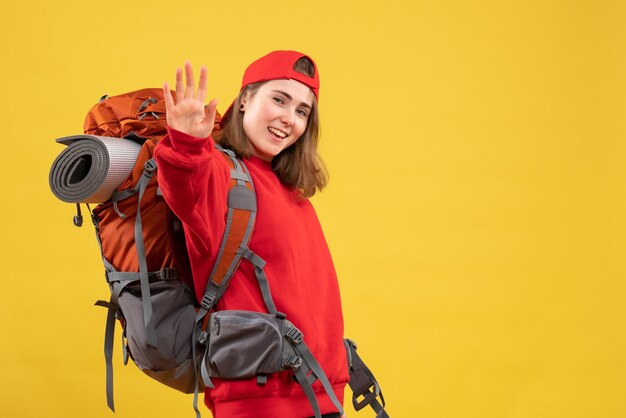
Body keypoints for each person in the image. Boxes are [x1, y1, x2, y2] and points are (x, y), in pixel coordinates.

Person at [153, 51, 349, 418]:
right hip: (262, 405)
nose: (288, 119)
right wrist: (187, 144)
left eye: (302, 111)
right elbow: (186, 185)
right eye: (279, 99)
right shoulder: (219, 171)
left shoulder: (292, 192)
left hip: (322, 396)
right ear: (245, 99)